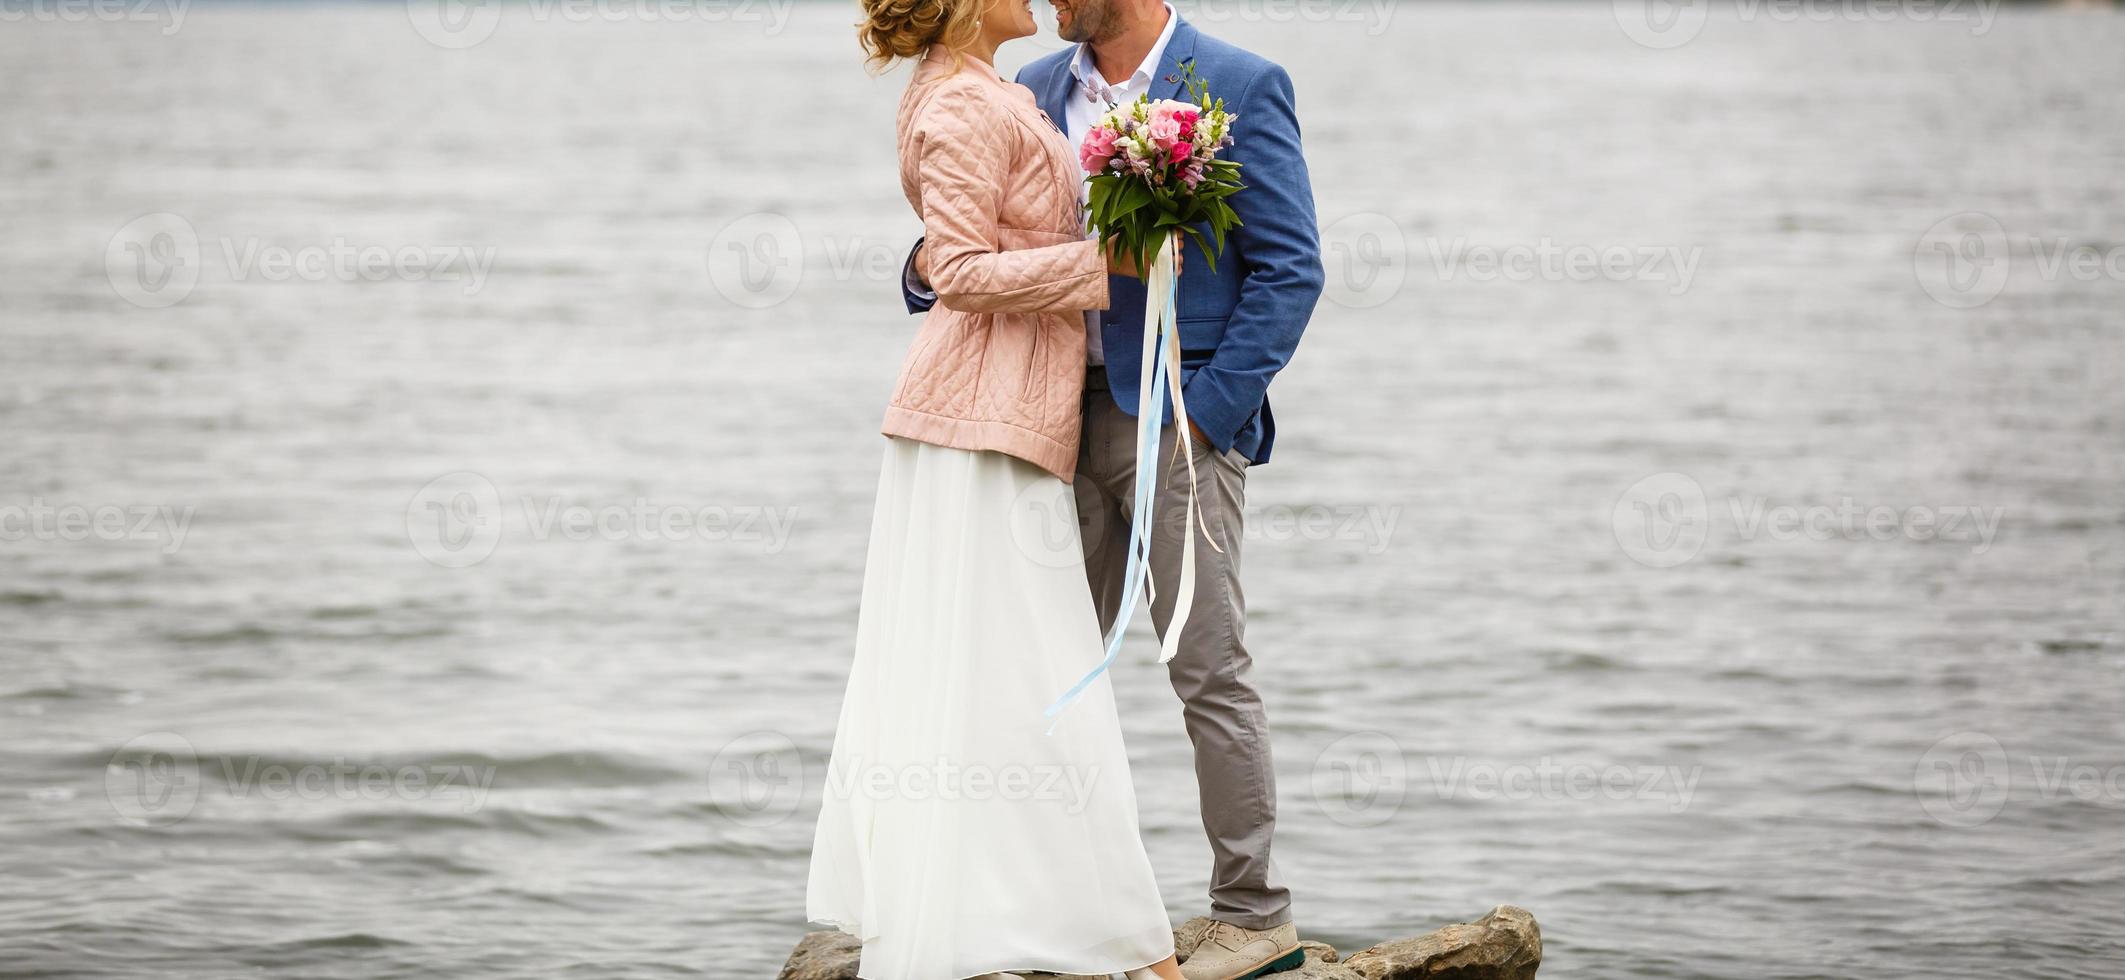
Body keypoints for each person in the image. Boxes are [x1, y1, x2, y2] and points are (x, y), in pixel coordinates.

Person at [901, 1, 1325, 976]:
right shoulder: (1034, 92)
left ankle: (1253, 915)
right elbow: (973, 244)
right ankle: (1040, 911)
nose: (1049, 1)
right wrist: (936, 265)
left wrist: (1206, 413)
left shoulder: (1240, 85)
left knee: (1207, 668)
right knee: (1046, 673)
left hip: (1180, 419)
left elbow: (1289, 271)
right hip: (1045, 421)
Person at [804, 0, 1189, 977]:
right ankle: (1105, 935)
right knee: (1031, 676)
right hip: (979, 421)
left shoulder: (988, 89)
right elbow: (961, 269)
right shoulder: (962, 105)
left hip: (1006, 412)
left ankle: (1035, 913)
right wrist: (1110, 261)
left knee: (1005, 675)